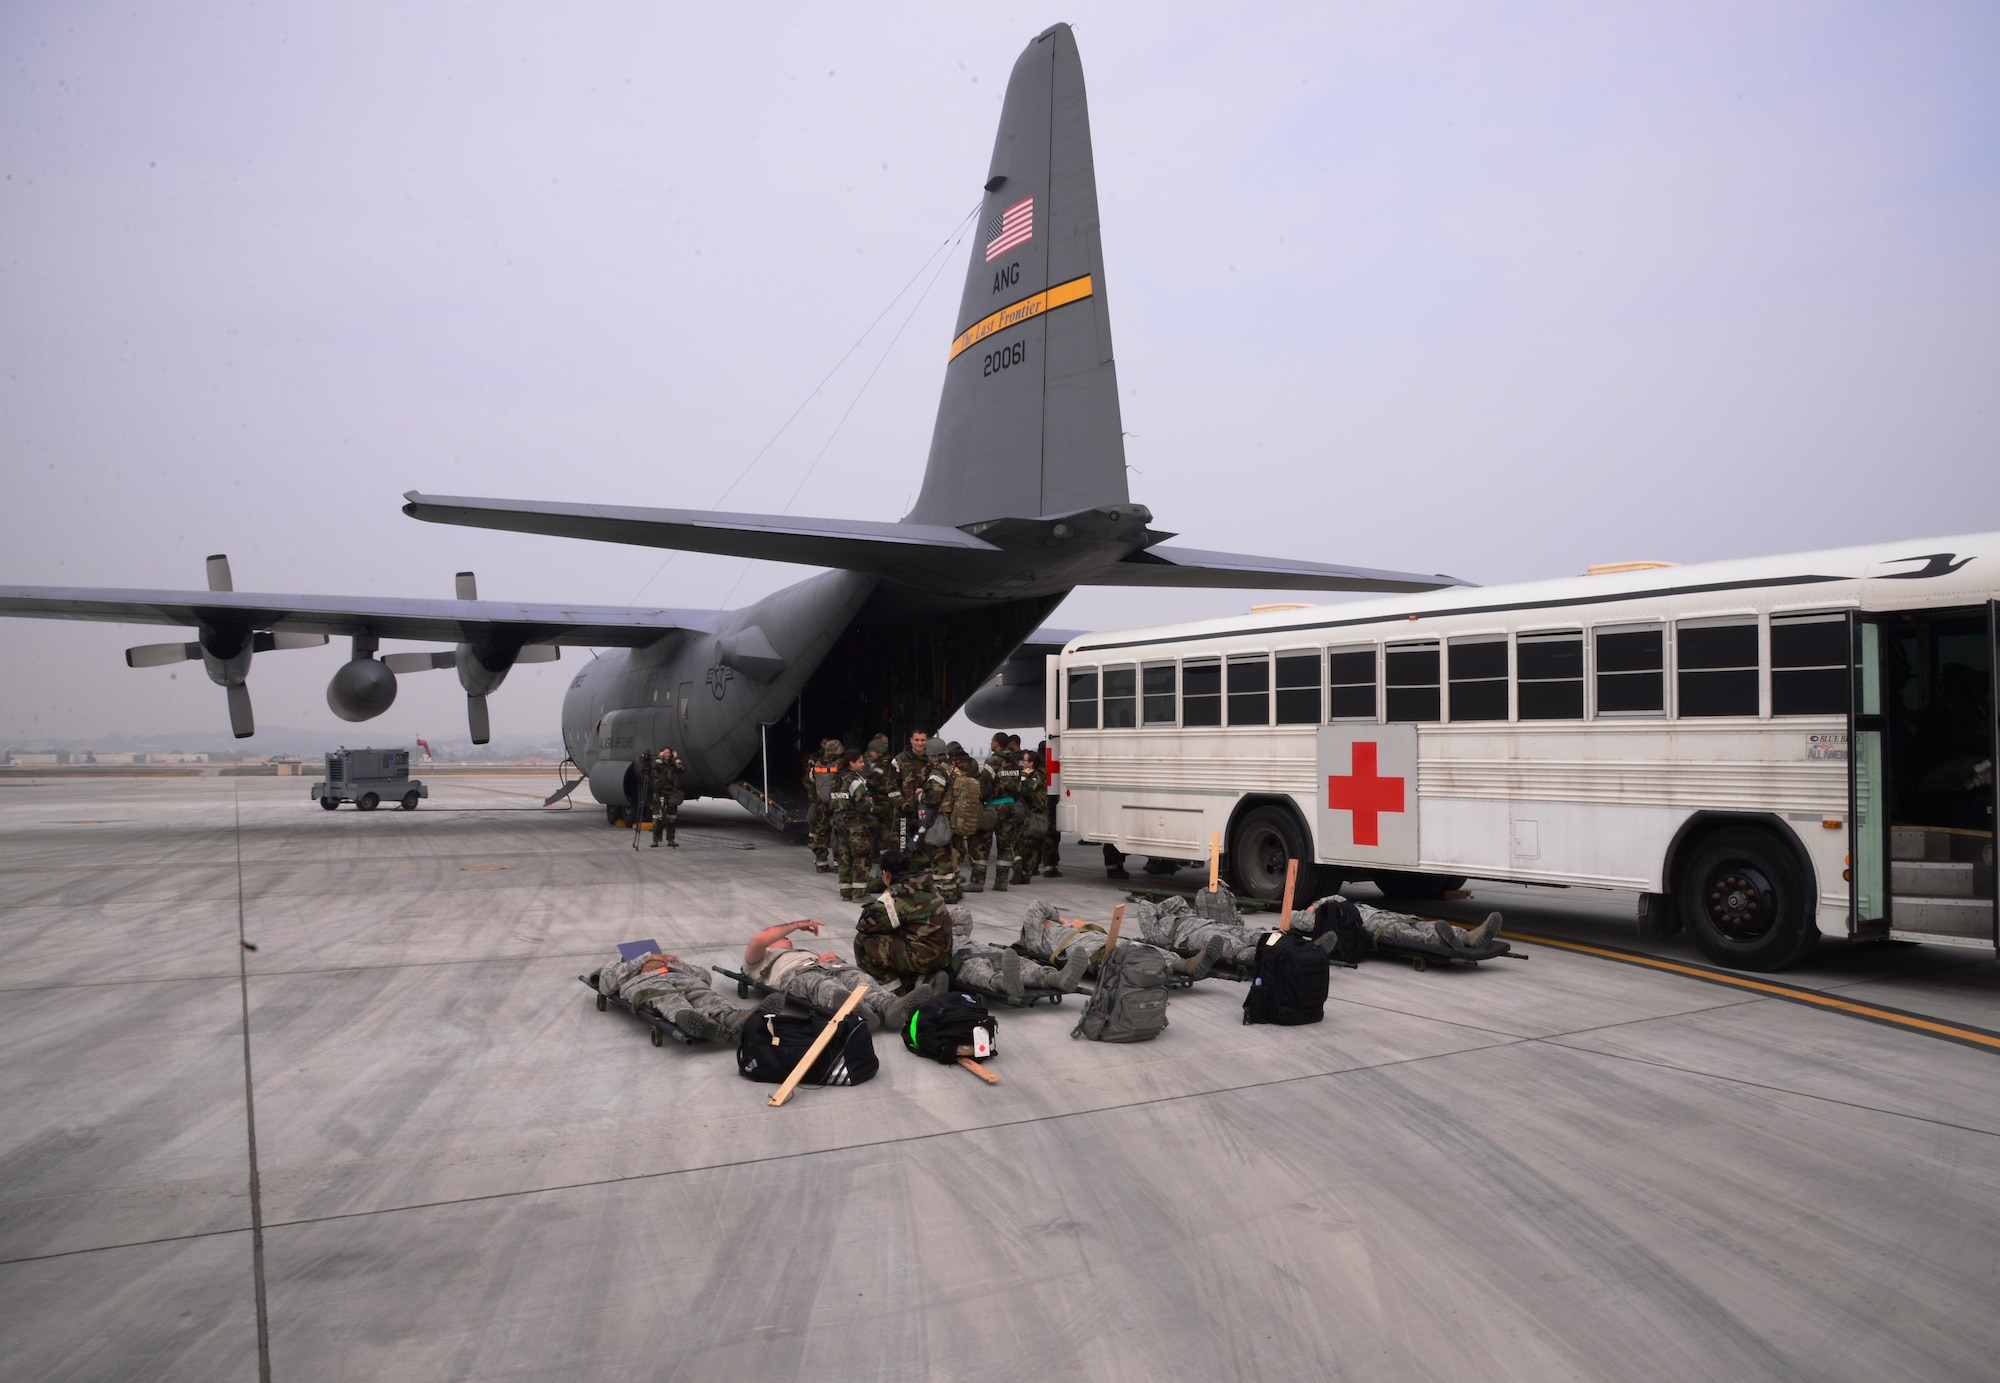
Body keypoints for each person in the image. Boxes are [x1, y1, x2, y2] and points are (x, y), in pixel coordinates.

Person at [742, 920, 941, 1031]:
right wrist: (797, 925)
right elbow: (759, 939)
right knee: (822, 984)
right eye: (782, 938)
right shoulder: (759, 959)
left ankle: (890, 1005)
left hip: (824, 967)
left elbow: (835, 966)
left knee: (859, 978)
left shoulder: (804, 951)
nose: (787, 940)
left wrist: (832, 960)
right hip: (797, 975)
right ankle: (853, 1009)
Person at [1015, 898, 1228, 979]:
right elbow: (1037, 905)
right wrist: (1062, 921)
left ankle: (1185, 965)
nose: (1048, 922)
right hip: (1087, 950)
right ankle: (1157, 972)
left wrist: (1068, 925)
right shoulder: (1036, 939)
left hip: (1099, 940)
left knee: (1140, 947)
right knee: (1123, 956)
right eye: (1046, 921)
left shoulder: (1058, 930)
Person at [595, 949, 780, 1041]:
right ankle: (694, 1021)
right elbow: (605, 985)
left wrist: (672, 964)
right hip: (648, 986)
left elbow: (705, 977)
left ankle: (735, 1018)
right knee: (668, 999)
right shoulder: (619, 969)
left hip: (685, 981)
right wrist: (644, 959)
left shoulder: (669, 964)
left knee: (707, 995)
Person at [852, 848, 954, 994]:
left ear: (885, 874)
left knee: (863, 942)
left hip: (925, 957)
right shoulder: (927, 884)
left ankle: (898, 993)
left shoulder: (898, 894)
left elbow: (865, 925)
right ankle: (923, 980)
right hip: (944, 957)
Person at [947, 905, 1088, 1005]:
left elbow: (961, 914)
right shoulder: (933, 939)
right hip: (959, 957)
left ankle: (1055, 978)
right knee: (977, 967)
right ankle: (1002, 983)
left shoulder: (951, 928)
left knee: (1016, 960)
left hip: (980, 948)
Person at [828, 746, 878, 901]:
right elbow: (864, 805)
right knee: (861, 856)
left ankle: (846, 892)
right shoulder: (854, 781)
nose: (863, 765)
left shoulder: (836, 779)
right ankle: (859, 893)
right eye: (860, 762)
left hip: (839, 822)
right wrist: (871, 804)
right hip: (855, 824)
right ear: (851, 763)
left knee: (844, 856)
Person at [978, 733, 1025, 891]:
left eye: (992, 741)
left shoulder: (992, 761)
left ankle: (978, 881)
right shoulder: (1015, 761)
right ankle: (1001, 882)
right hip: (1011, 806)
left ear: (997, 743)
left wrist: (982, 800)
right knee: (1006, 846)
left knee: (982, 843)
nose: (990, 743)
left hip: (993, 807)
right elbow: (1019, 785)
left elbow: (984, 784)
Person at [804, 738, 844, 873]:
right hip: (837, 804)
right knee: (838, 834)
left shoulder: (817, 764)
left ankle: (821, 864)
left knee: (821, 834)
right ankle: (839, 864)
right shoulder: (841, 765)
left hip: (821, 805)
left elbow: (809, 783)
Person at [891, 730, 933, 851]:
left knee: (924, 843)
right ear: (911, 740)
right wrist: (902, 804)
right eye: (917, 740)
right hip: (904, 811)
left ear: (927, 741)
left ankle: (920, 868)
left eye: (922, 740)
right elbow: (891, 787)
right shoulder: (899, 760)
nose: (919, 743)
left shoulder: (931, 760)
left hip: (925, 810)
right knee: (902, 844)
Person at [648, 747, 685, 847]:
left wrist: (677, 757)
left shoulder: (672, 766)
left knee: (671, 817)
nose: (667, 754)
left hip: (670, 793)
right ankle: (656, 840)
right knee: (657, 817)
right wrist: (660, 756)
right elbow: (655, 766)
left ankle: (670, 839)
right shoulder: (659, 764)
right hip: (659, 794)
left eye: (669, 753)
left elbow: (681, 769)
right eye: (665, 753)